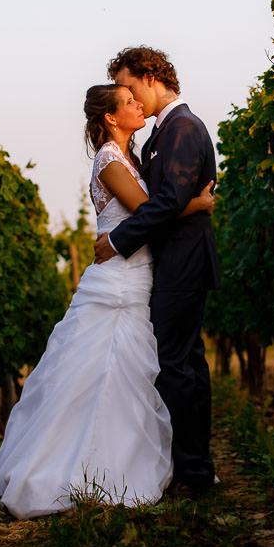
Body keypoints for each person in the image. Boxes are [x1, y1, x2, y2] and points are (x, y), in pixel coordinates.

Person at [0, 83, 214, 519]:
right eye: (128, 103)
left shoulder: (132, 156)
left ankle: (115, 462)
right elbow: (151, 208)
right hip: (118, 281)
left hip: (136, 277)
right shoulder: (110, 160)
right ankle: (74, 470)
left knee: (127, 375)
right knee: (100, 373)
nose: (137, 105)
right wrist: (199, 203)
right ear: (111, 118)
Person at [94, 46, 220, 498]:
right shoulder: (161, 134)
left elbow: (166, 203)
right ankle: (189, 467)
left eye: (128, 86)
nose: (127, 96)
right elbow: (165, 202)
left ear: (149, 76)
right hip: (171, 261)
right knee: (180, 364)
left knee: (176, 365)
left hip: (184, 261)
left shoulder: (183, 127)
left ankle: (193, 474)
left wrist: (117, 240)